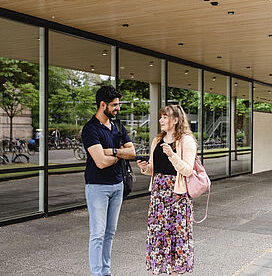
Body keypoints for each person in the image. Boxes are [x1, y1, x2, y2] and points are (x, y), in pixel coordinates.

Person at [82, 85, 135, 276]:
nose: (117, 108)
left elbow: (132, 152)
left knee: (109, 233)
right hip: (97, 187)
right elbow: (101, 162)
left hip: (118, 185)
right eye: (114, 105)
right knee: (97, 234)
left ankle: (106, 271)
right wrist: (120, 154)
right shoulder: (90, 129)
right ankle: (97, 273)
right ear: (102, 104)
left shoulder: (118, 127)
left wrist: (112, 151)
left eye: (118, 105)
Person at [137, 105, 197, 275]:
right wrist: (145, 168)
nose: (161, 120)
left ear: (176, 120)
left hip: (177, 197)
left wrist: (172, 155)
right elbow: (154, 168)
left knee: (176, 237)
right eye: (161, 117)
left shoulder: (186, 141)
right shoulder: (157, 140)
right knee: (159, 236)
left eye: (165, 117)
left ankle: (175, 273)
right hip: (158, 196)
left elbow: (187, 170)